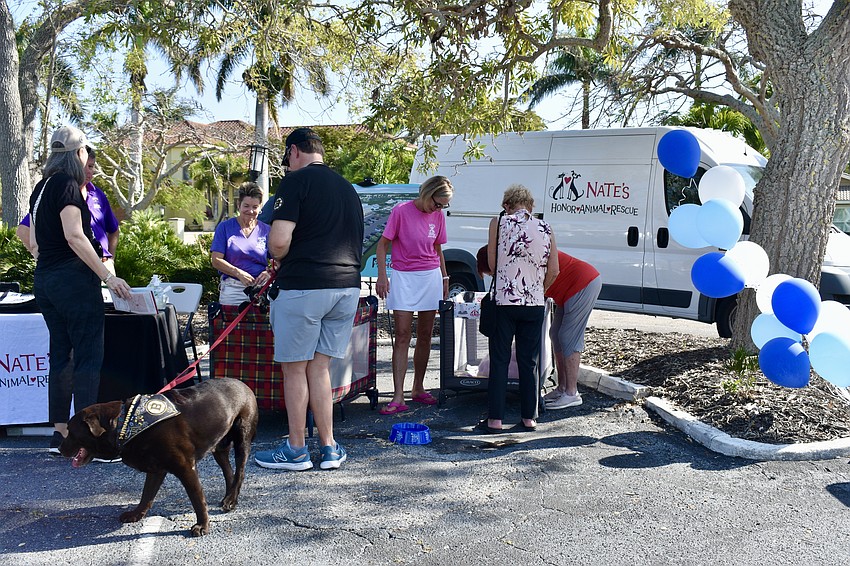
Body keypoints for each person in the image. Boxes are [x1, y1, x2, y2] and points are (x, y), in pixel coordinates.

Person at [254, 127, 363, 471]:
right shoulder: (347, 188)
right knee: (320, 368)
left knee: (295, 369)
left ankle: (297, 448)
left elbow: (279, 242)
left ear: (295, 152)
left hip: (304, 287)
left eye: (287, 158)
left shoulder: (295, 182)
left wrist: (276, 254)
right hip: (346, 287)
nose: (287, 165)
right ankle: (329, 447)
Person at [28, 126, 132, 454]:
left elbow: (32, 241)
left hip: (46, 281)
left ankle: (62, 433)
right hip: (73, 283)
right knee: (88, 356)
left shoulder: (42, 187)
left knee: (61, 355)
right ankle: (89, 440)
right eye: (86, 150)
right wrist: (108, 276)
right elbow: (75, 236)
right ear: (78, 154)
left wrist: (47, 261)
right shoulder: (69, 186)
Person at [475, 184, 558, 434]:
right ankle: (529, 418)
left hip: (504, 301)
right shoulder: (546, 228)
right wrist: (537, 289)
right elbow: (554, 270)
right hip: (533, 303)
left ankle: (495, 421)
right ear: (531, 206)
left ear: (506, 205)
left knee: (499, 360)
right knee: (529, 361)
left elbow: (492, 262)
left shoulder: (498, 223)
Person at [375, 176, 453, 415]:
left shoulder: (438, 216)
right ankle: (398, 396)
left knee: (426, 334)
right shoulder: (401, 211)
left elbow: (437, 249)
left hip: (430, 276)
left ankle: (418, 388)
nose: (438, 209)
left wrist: (444, 278)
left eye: (443, 205)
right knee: (401, 334)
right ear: (427, 194)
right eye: (437, 203)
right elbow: (382, 244)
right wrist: (382, 275)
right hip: (404, 276)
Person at [17, 147, 120, 273]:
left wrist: (110, 259)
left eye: (91, 166)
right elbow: (23, 230)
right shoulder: (62, 191)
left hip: (103, 265)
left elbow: (113, 229)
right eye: (85, 166)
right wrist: (45, 260)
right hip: (73, 268)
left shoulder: (97, 193)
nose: (89, 172)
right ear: (76, 164)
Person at [542, 252, 601, 409]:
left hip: (583, 283)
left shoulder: (528, 252)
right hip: (570, 288)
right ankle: (562, 388)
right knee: (555, 334)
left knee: (568, 337)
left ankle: (571, 393)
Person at [210, 181, 272, 305]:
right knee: (230, 323)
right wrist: (238, 273)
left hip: (261, 289)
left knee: (264, 324)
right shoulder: (225, 227)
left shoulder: (267, 230)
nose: (250, 211)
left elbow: (278, 259)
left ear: (260, 207)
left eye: (255, 207)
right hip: (233, 288)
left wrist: (269, 272)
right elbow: (216, 260)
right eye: (246, 206)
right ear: (239, 204)